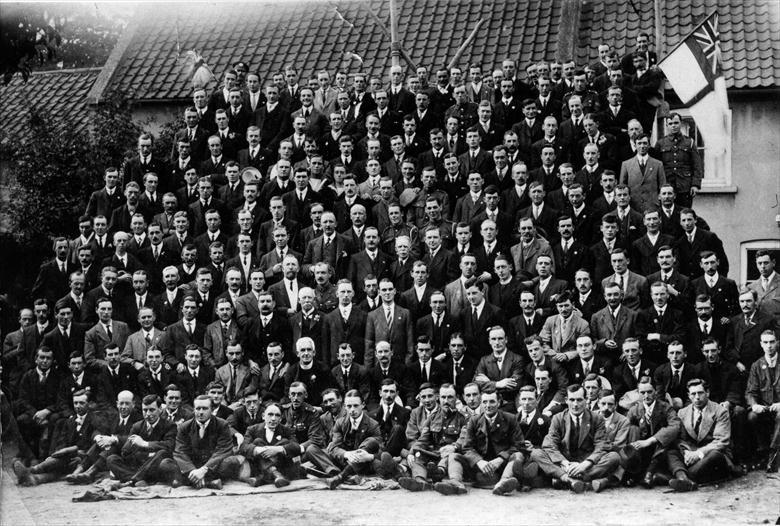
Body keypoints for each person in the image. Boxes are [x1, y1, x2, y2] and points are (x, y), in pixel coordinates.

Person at [434, 388, 525, 496]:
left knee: (518, 455)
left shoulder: (510, 419)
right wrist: (479, 461)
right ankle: (456, 483)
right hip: (479, 466)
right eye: (485, 402)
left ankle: (503, 483)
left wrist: (500, 459)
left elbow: (518, 444)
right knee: (453, 456)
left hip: (502, 465)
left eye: (492, 401)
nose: (488, 405)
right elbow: (467, 447)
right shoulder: (474, 420)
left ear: (499, 402)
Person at [530, 384, 620, 493]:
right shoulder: (558, 418)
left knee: (614, 457)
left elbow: (601, 446)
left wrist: (585, 465)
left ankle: (564, 479)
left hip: (586, 462)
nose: (575, 404)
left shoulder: (596, 419)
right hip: (565, 461)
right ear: (566, 400)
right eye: (572, 400)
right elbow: (550, 445)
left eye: (579, 400)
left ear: (586, 400)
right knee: (536, 453)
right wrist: (565, 464)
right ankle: (569, 479)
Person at [13, 390, 103, 486]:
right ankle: (34, 479)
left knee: (64, 460)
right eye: (75, 403)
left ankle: (32, 470)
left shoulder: (96, 420)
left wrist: (72, 453)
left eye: (81, 403)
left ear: (89, 404)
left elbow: (93, 445)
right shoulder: (70, 421)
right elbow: (62, 441)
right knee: (61, 463)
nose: (77, 406)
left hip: (85, 459)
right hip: (68, 458)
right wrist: (59, 453)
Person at [159, 395, 243, 489]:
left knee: (231, 462)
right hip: (192, 465)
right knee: (165, 463)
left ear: (212, 410)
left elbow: (223, 450)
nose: (201, 412)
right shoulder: (184, 427)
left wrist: (204, 469)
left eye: (205, 409)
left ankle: (187, 481)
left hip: (212, 466)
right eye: (198, 409)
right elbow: (180, 452)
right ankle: (209, 482)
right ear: (194, 409)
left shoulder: (222, 425)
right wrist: (193, 470)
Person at [398, 383, 469, 492]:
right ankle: (420, 481)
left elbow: (465, 437)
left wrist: (454, 447)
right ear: (438, 398)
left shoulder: (464, 417)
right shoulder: (433, 417)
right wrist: (412, 453)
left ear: (457, 398)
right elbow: (423, 439)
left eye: (450, 397)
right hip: (436, 454)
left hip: (455, 454)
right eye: (443, 397)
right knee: (418, 454)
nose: (446, 401)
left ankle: (456, 484)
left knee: (452, 456)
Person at [666, 379, 734, 492]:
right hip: (692, 453)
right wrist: (687, 453)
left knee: (715, 455)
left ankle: (683, 477)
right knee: (670, 451)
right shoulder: (682, 412)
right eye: (693, 394)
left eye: (700, 393)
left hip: (711, 454)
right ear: (688, 396)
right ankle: (684, 479)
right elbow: (681, 439)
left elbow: (721, 441)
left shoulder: (720, 411)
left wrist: (698, 454)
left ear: (707, 393)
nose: (697, 397)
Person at [106, 394, 177, 487]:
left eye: (152, 410)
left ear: (160, 409)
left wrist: (144, 444)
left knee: (162, 453)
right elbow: (125, 452)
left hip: (155, 467)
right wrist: (148, 453)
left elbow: (169, 446)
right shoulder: (137, 426)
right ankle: (139, 480)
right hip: (138, 466)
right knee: (112, 459)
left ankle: (133, 481)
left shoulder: (169, 425)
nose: (148, 414)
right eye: (145, 410)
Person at [324, 389, 387, 489]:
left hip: (364, 463)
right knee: (315, 450)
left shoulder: (372, 424)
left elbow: (382, 450)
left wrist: (368, 456)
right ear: (345, 407)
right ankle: (348, 475)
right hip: (344, 461)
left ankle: (341, 477)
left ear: (363, 405)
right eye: (349, 406)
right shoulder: (340, 423)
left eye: (356, 406)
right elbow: (334, 447)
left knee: (371, 441)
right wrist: (347, 454)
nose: (352, 409)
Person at [624, 376, 681, 487]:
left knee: (666, 440)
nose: (646, 396)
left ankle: (649, 474)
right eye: (642, 392)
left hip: (659, 449)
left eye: (649, 392)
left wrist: (651, 440)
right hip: (641, 450)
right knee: (632, 429)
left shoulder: (665, 408)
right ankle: (636, 474)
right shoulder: (634, 410)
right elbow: (625, 428)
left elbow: (675, 426)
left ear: (655, 391)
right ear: (638, 393)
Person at [239, 403, 303, 487]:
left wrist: (278, 449)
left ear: (280, 419)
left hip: (281, 466)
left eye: (277, 415)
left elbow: (296, 447)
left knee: (284, 441)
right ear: (263, 416)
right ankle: (275, 474)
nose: (273, 418)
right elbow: (243, 447)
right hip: (259, 467)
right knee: (258, 441)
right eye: (270, 414)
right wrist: (258, 449)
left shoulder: (286, 430)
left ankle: (262, 479)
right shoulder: (252, 429)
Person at [745, 330, 780, 472]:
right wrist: (754, 405)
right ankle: (763, 451)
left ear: (777, 342)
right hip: (765, 408)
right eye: (765, 342)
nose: (769, 346)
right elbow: (750, 392)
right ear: (761, 344)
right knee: (752, 416)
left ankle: (773, 453)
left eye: (772, 342)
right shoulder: (756, 365)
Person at [653, 113, 703, 208]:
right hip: (667, 186)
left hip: (685, 186)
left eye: (676, 123)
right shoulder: (661, 143)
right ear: (667, 125)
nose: (673, 126)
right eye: (670, 123)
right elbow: (656, 167)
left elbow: (697, 165)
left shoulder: (689, 142)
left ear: (681, 123)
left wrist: (695, 185)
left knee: (685, 213)